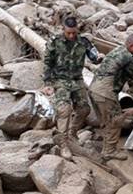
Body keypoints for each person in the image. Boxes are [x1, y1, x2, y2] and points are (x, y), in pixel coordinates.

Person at [42, 17, 102, 159]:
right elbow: (47, 62)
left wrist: (99, 57)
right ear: (63, 29)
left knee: (84, 109)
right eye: (68, 33)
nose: (71, 36)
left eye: (73, 33)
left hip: (77, 79)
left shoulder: (83, 42)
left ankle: (72, 132)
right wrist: (48, 83)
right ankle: (63, 144)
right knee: (64, 110)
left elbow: (94, 56)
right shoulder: (55, 42)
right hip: (60, 80)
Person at [88, 34, 133, 161]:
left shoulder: (117, 50)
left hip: (93, 89)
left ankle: (105, 143)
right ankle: (109, 151)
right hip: (105, 92)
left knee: (105, 120)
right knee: (117, 120)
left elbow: (123, 74)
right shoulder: (128, 56)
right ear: (132, 46)